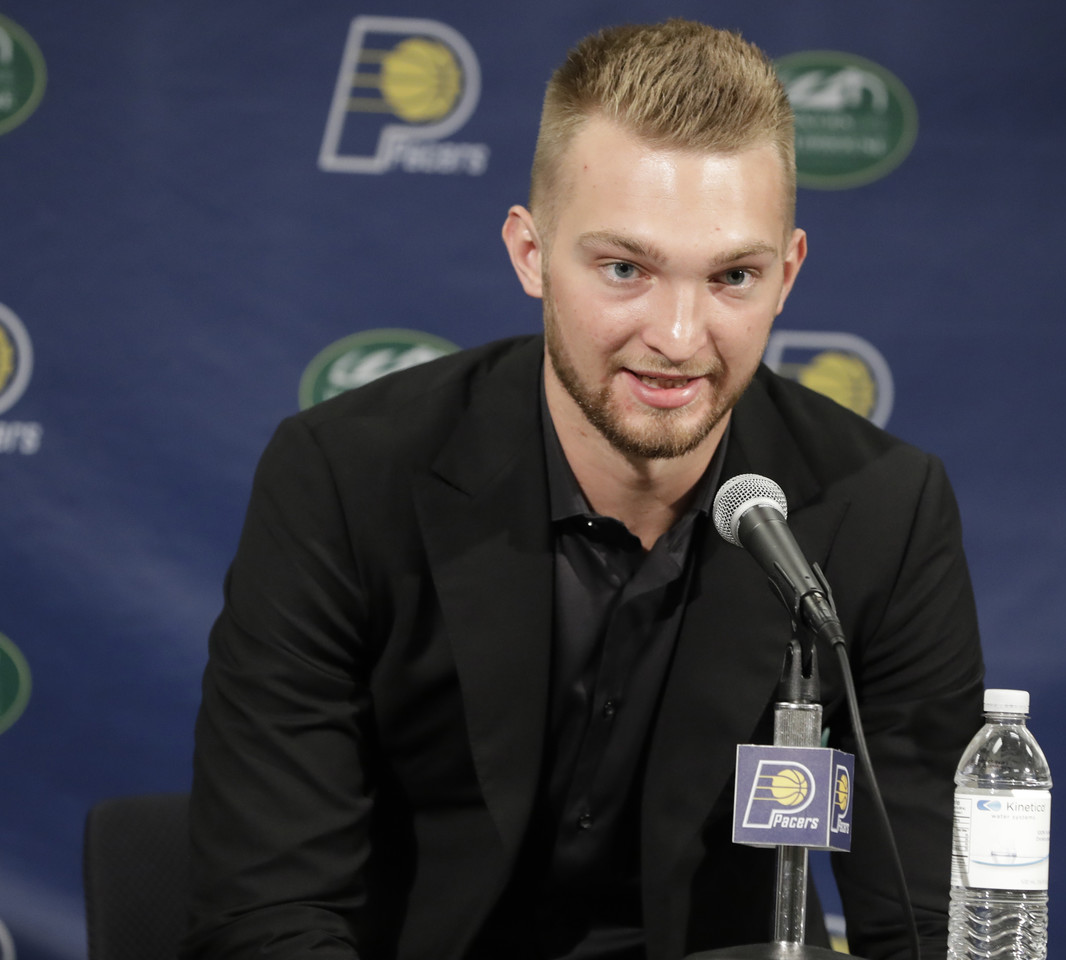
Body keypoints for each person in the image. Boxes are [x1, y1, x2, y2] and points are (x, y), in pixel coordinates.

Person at [184, 18, 984, 960]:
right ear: (530, 254)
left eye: (732, 275)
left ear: (788, 274)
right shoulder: (345, 478)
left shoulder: (883, 509)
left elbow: (934, 924)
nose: (678, 337)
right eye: (624, 269)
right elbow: (268, 913)